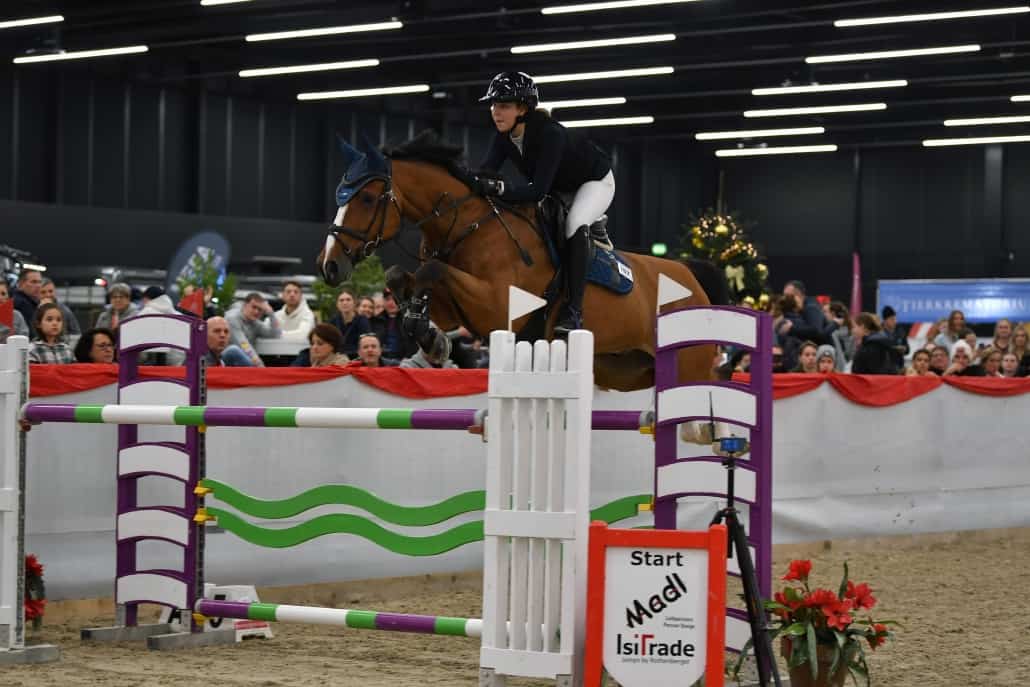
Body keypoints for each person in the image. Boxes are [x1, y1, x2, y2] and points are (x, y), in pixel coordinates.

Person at [478, 71, 614, 336]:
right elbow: (484, 173)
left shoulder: (550, 134)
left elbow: (538, 191)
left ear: (523, 108)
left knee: (574, 223)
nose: (496, 112)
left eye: (504, 105)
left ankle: (573, 311)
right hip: (558, 187)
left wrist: (501, 190)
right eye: (493, 105)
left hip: (594, 182)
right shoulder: (503, 138)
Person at [226, 293, 281, 367]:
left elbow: (276, 334)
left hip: (242, 362)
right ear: (245, 305)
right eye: (254, 307)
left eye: (260, 309)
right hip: (226, 361)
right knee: (234, 350)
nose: (256, 312)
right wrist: (260, 367)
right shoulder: (232, 319)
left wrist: (271, 314)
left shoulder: (255, 322)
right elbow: (243, 344)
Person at [370, 288, 418, 364]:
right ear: (383, 301)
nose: (391, 303)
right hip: (380, 363)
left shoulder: (410, 320)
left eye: (395, 299)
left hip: (405, 363)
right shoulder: (375, 321)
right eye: (387, 299)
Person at [782, 280, 835, 345]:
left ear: (798, 295)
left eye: (787, 296)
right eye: (784, 296)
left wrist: (792, 329)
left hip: (823, 349)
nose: (785, 299)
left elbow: (816, 330)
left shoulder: (811, 307)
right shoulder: (796, 309)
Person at [329, 289, 372, 359]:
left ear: (354, 303)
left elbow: (365, 343)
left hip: (356, 358)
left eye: (348, 300)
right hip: (336, 358)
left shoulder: (362, 321)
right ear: (337, 304)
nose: (345, 303)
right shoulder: (333, 321)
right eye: (341, 300)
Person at [880, 305, 908, 373]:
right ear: (885, 320)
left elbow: (907, 349)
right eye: (892, 319)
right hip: (883, 368)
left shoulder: (900, 331)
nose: (895, 321)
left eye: (895, 319)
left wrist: (904, 349)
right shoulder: (878, 332)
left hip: (899, 367)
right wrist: (894, 349)